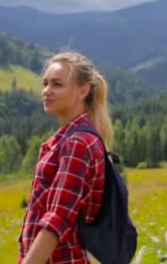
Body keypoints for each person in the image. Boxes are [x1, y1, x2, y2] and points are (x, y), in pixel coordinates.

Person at [19, 51, 113, 264]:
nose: (46, 91)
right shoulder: (68, 139)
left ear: (83, 90)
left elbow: (57, 219)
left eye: (57, 84)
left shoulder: (77, 143)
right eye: (45, 84)